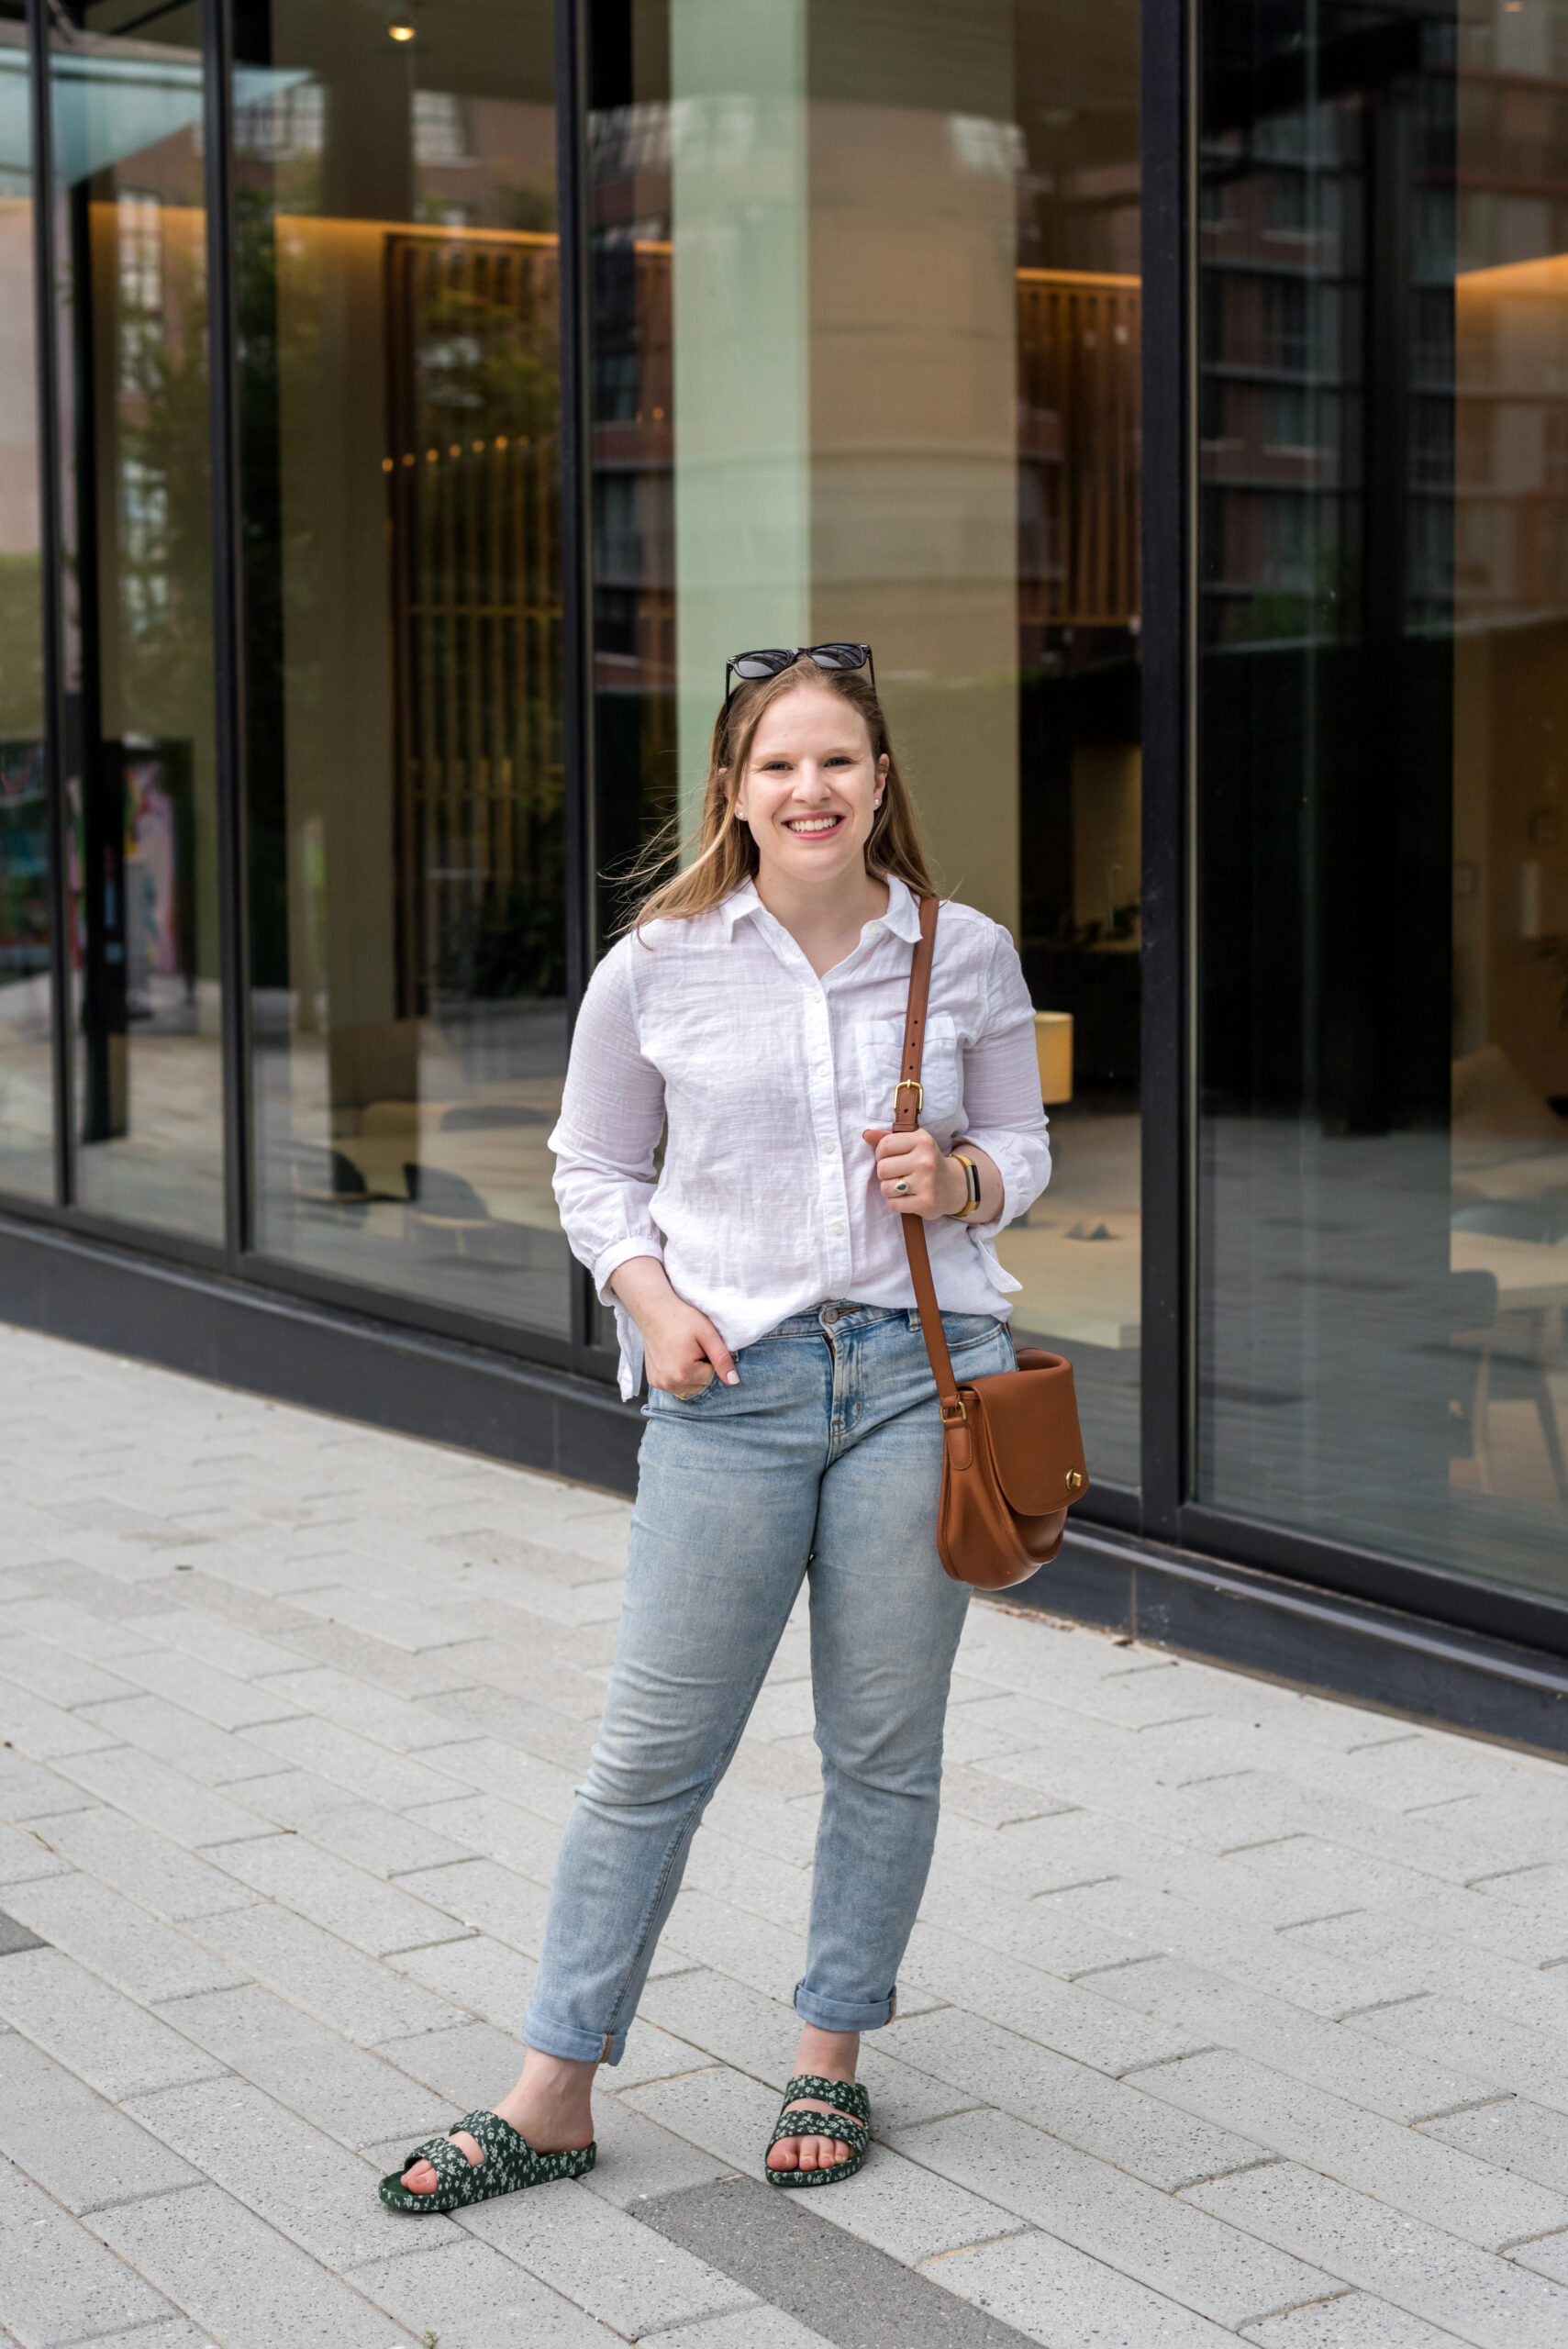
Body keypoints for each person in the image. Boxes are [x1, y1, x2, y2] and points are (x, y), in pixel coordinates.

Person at [380, 643, 1051, 2212]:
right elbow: (591, 1169)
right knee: (650, 1756)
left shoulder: (961, 953)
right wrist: (646, 1297)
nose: (809, 789)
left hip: (917, 1377)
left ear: (882, 781)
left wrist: (957, 1182)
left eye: (837, 761)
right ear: (732, 795)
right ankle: (551, 2090)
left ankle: (830, 2058)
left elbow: (1021, 1143)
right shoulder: (657, 965)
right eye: (777, 767)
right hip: (727, 1387)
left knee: (881, 1751)